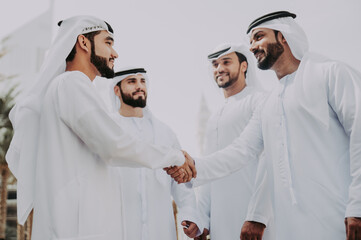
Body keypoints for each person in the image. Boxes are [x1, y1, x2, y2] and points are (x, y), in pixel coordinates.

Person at [167, 11, 361, 240]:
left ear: (283, 36)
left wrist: (357, 204)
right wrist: (193, 166)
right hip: (290, 224)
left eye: (259, 37)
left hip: (339, 216)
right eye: (250, 41)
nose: (252, 47)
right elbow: (241, 151)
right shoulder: (270, 103)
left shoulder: (331, 73)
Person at [5, 16, 195, 240]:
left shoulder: (70, 87)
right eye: (108, 43)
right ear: (84, 42)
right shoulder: (71, 83)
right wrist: (174, 157)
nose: (115, 53)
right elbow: (115, 146)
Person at [98, 67, 203, 239]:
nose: (139, 86)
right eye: (132, 81)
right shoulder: (108, 128)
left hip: (159, 228)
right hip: (117, 228)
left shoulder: (165, 133)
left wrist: (189, 213)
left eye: (142, 81)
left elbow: (180, 180)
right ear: (116, 90)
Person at [195, 43, 273, 240]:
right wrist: (202, 221)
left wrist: (257, 216)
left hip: (257, 223)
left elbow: (270, 160)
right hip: (222, 224)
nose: (220, 68)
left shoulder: (261, 101)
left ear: (244, 66)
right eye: (215, 64)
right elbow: (207, 175)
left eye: (226, 62)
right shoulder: (214, 117)